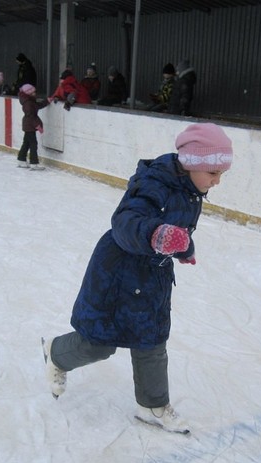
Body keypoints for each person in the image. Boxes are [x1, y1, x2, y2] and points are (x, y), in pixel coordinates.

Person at [41, 123, 234, 434]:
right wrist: (156, 235)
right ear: (191, 164)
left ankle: (152, 404)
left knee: (152, 342)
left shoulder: (191, 190)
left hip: (153, 274)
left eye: (221, 174)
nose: (217, 181)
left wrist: (184, 247)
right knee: (98, 344)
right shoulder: (154, 183)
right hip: (117, 273)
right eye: (213, 173)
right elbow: (125, 221)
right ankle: (56, 352)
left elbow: (178, 230)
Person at [16, 84, 49, 170]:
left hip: (28, 124)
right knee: (33, 144)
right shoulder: (28, 102)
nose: (35, 93)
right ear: (29, 93)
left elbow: (37, 106)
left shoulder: (29, 101)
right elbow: (31, 115)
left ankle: (21, 159)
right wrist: (37, 125)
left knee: (26, 142)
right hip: (30, 124)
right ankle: (34, 163)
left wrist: (47, 101)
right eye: (33, 92)